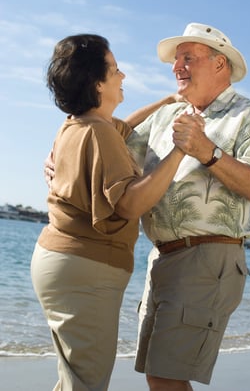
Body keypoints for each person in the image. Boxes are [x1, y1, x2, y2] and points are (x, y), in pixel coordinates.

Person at [124, 22, 250, 390]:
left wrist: (207, 151)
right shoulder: (164, 116)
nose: (177, 67)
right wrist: (65, 153)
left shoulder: (247, 115)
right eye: (176, 60)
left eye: (188, 58)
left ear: (219, 64)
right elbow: (116, 149)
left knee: (166, 377)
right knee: (158, 377)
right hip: (160, 259)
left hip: (208, 259)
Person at [31, 33, 185, 391]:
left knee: (74, 379)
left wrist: (166, 101)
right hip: (86, 270)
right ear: (97, 83)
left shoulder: (80, 124)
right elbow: (131, 202)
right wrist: (181, 151)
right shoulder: (98, 134)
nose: (123, 76)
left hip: (60, 263)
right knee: (87, 382)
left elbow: (125, 127)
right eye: (115, 69)